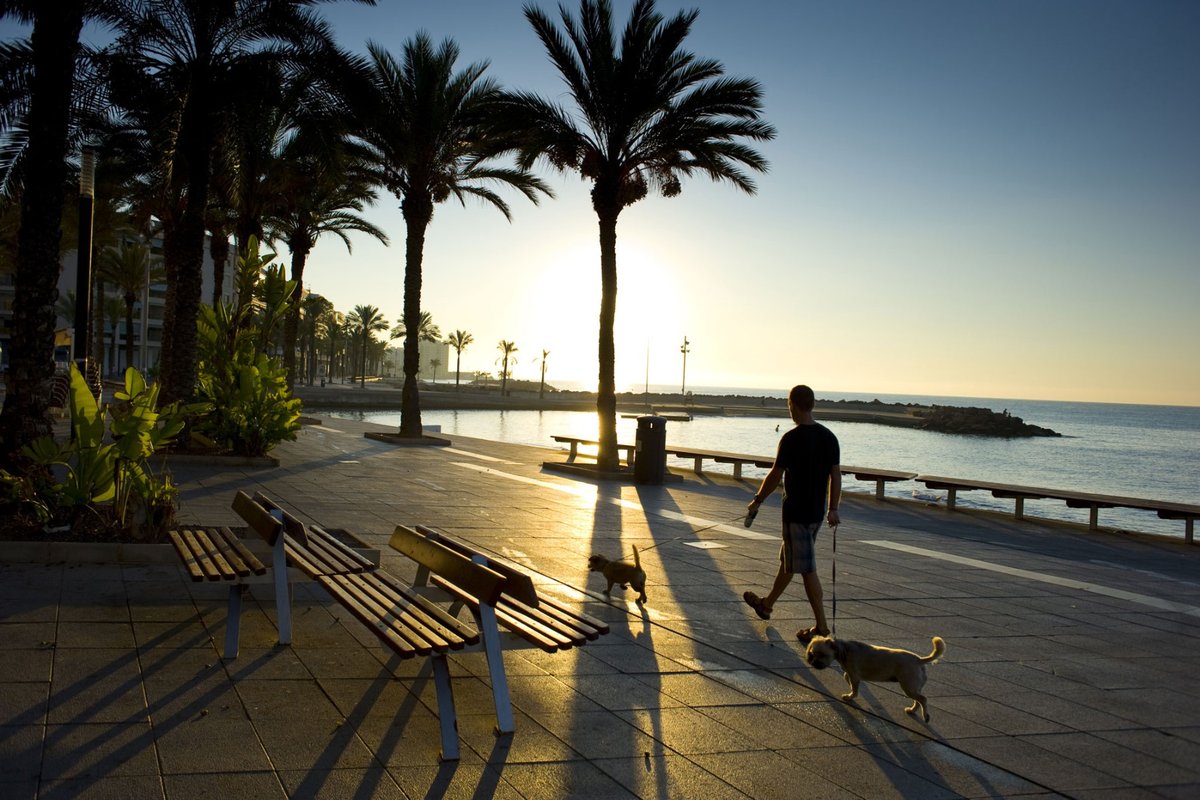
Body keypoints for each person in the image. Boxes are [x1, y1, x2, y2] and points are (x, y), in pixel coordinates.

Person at [742, 384, 841, 644]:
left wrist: (757, 500)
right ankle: (766, 605)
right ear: (813, 404)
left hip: (796, 513)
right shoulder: (829, 437)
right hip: (816, 512)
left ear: (793, 405)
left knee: (806, 568)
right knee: (790, 559)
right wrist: (833, 508)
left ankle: (822, 628)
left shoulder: (791, 439)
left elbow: (775, 474)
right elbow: (835, 475)